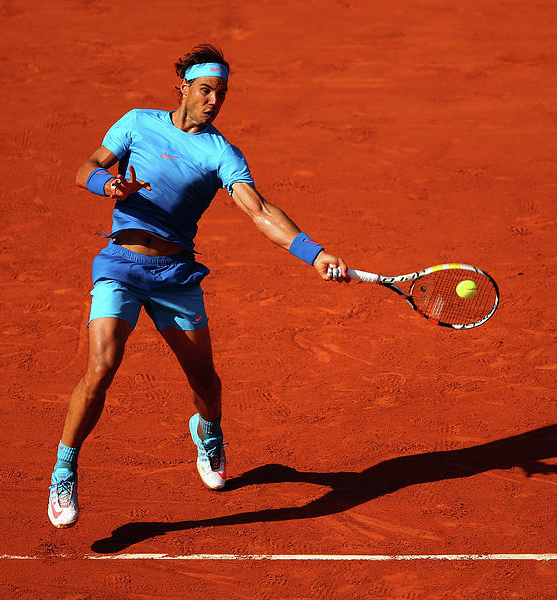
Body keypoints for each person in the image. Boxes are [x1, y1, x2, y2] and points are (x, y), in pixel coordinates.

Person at [47, 43, 349, 528]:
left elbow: (260, 210)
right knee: (101, 367)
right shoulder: (136, 122)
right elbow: (86, 168)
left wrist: (313, 254)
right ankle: (64, 469)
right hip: (120, 266)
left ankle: (209, 433)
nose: (214, 100)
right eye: (207, 89)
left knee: (204, 382)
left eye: (222, 93)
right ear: (183, 88)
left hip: (175, 277)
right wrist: (108, 186)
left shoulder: (219, 153)